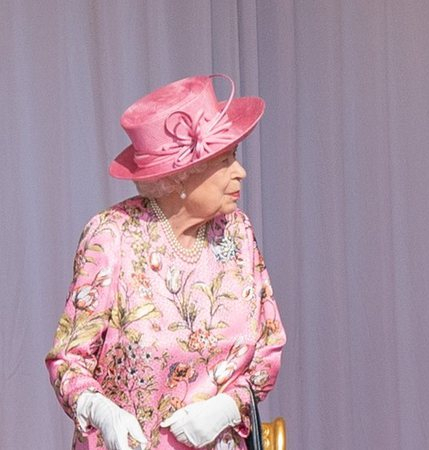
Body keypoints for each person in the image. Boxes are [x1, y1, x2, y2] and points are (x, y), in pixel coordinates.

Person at [45, 74, 286, 450]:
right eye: (225, 161)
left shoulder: (237, 232)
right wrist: (100, 411)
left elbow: (269, 345)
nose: (241, 172)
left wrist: (227, 406)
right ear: (180, 179)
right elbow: (68, 359)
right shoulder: (113, 235)